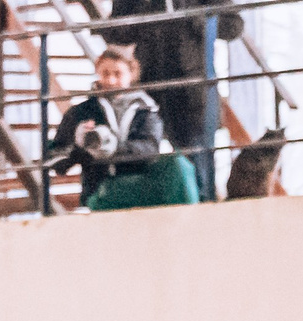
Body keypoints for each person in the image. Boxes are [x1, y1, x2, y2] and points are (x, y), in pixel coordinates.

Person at [101, 0, 242, 201]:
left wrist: (190, 15)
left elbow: (233, 26)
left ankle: (203, 215)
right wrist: (147, 11)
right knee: (143, 162)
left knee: (197, 167)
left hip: (192, 89)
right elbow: (116, 32)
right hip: (151, 88)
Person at [47, 47, 198, 211]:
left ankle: (191, 218)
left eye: (117, 74)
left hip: (140, 185)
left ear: (131, 75)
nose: (111, 81)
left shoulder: (146, 111)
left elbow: (149, 149)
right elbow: (57, 163)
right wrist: (80, 146)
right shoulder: (81, 113)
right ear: (97, 72)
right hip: (100, 190)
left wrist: (113, 149)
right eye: (105, 73)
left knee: (178, 165)